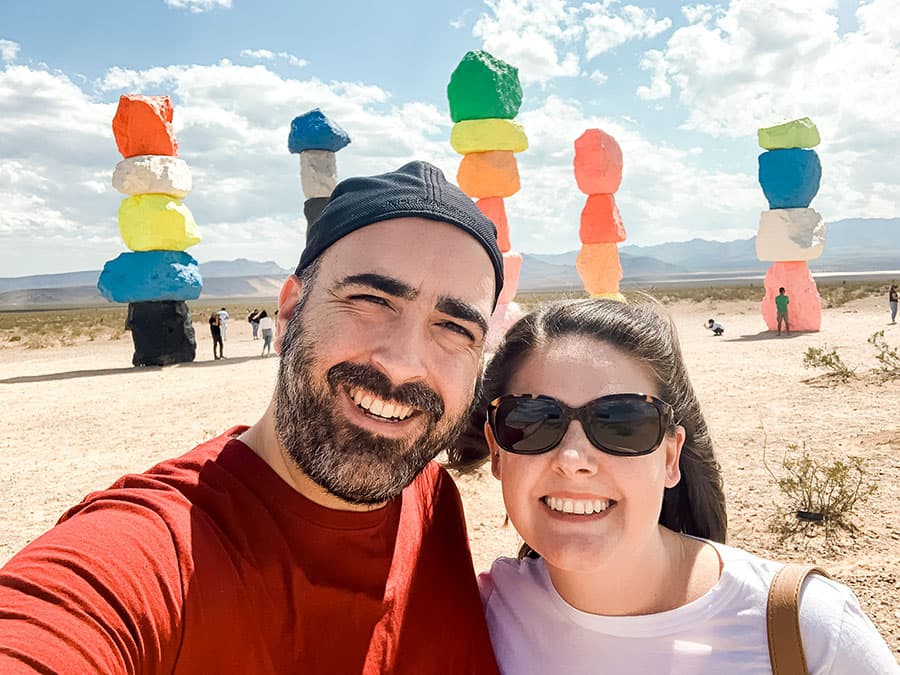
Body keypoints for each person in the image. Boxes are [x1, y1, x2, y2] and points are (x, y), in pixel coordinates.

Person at [0, 161, 504, 674]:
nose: (402, 362)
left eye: (455, 328)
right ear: (288, 315)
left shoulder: (434, 503)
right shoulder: (151, 554)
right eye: (371, 299)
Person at [456, 298, 897, 674]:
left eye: (623, 423)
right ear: (497, 450)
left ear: (670, 457)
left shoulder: (805, 628)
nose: (573, 461)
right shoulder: (476, 616)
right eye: (532, 422)